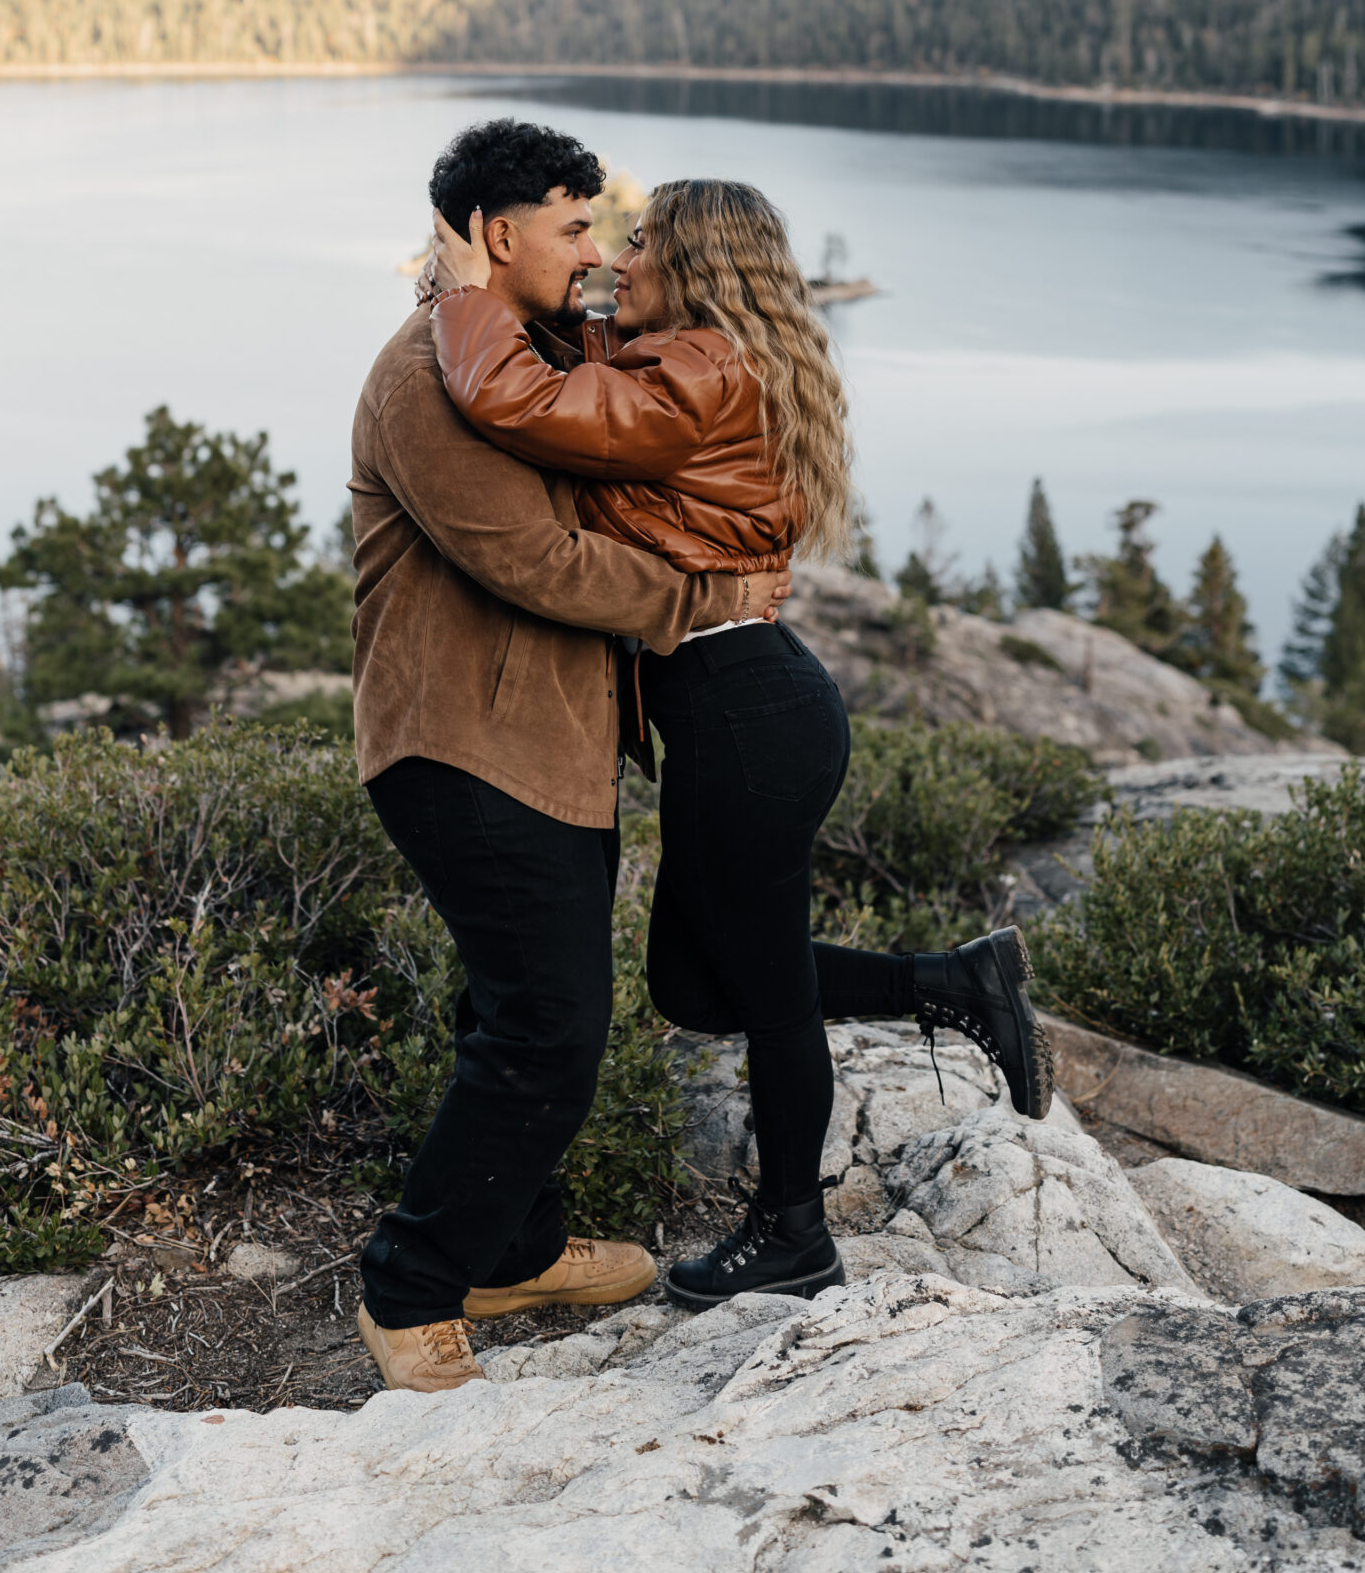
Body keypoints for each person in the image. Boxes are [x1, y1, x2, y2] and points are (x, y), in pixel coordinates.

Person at [429, 174, 1052, 1311]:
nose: (624, 253)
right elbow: (604, 383)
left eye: (647, 239)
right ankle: (953, 979)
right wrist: (575, 311)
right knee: (690, 981)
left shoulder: (703, 366)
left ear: (701, 265)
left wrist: (468, 297)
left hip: (746, 713)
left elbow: (527, 408)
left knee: (765, 992)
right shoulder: (695, 357)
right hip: (741, 705)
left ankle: (794, 1233)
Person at [349, 121, 792, 1392]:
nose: (596, 249)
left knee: (514, 1004)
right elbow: (529, 558)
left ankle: (514, 1246)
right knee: (551, 1027)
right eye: (574, 226)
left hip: (546, 744)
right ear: (498, 237)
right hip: (460, 741)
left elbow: (630, 415)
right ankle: (413, 1287)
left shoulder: (527, 350)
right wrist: (697, 594)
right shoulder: (421, 377)